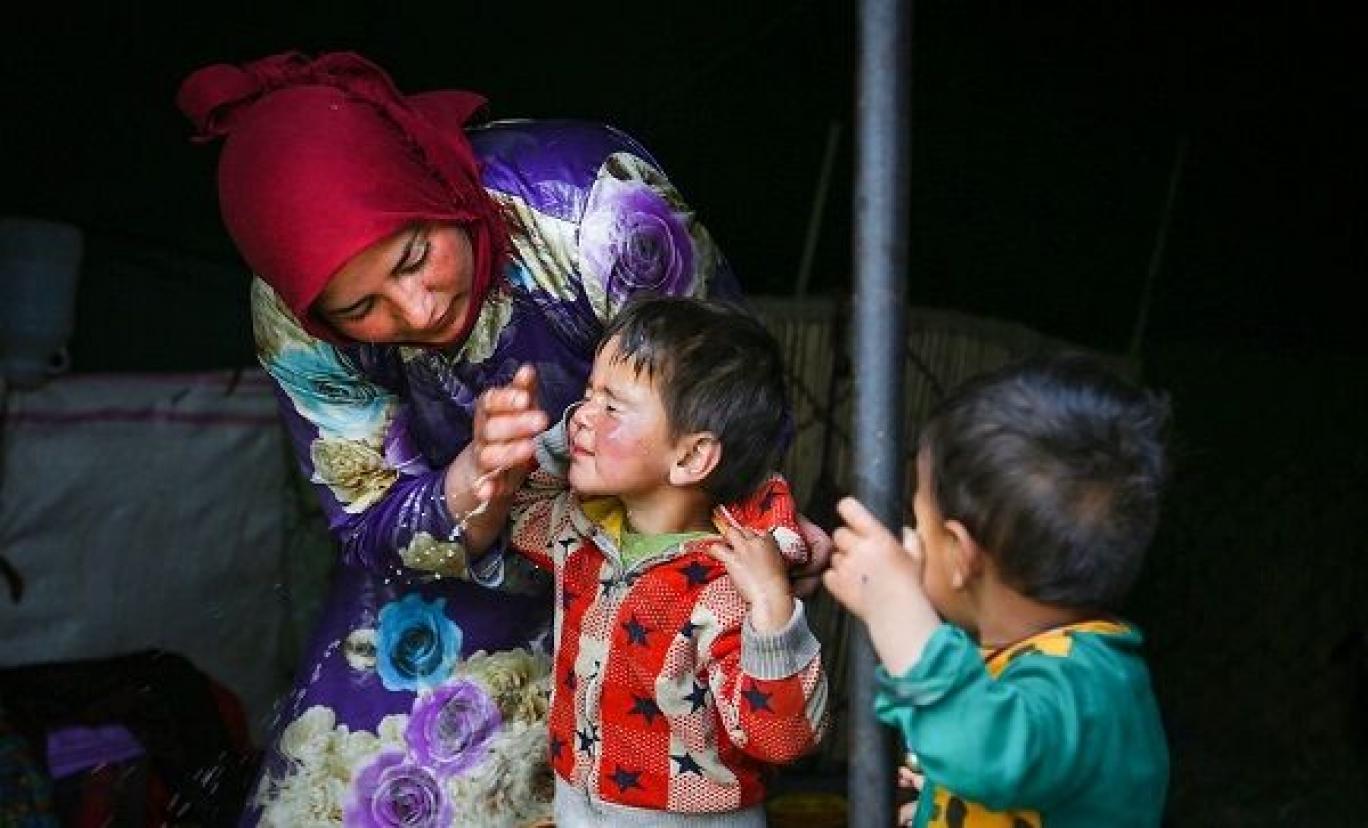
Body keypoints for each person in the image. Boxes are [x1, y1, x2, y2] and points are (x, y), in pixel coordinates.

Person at [175, 50, 829, 826]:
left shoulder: (593, 211)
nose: (416, 311)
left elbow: (725, 394)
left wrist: (765, 539)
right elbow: (370, 519)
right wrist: (474, 484)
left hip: (663, 550)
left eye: (415, 257)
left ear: (436, 190)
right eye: (361, 310)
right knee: (357, 793)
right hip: (451, 584)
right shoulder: (296, 318)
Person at [494, 295, 828, 826]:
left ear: (692, 456)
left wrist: (771, 604)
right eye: (587, 394)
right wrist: (565, 438)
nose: (581, 417)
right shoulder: (583, 535)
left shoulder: (727, 583)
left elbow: (781, 738)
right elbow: (519, 507)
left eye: (612, 406)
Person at [823, 354, 1171, 828]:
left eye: (920, 521)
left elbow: (987, 751)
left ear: (961, 553)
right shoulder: (1062, 662)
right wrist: (947, 801)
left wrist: (896, 608)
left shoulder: (1087, 685)